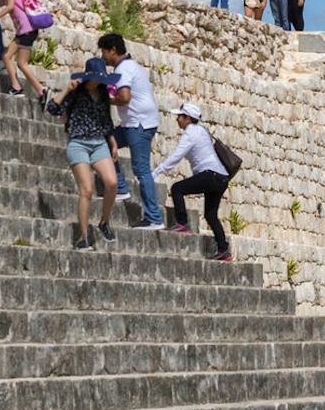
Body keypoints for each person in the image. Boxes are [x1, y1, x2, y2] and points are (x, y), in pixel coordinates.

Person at [47, 59, 120, 250]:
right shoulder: (76, 92)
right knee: (86, 190)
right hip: (78, 143)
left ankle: (104, 222)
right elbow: (52, 108)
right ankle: (83, 236)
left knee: (112, 183)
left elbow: (106, 120)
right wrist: (66, 90)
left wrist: (112, 143)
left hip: (99, 143)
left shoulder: (103, 93)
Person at [151, 101, 234, 260]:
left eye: (179, 116)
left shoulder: (190, 133)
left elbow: (175, 157)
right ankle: (224, 249)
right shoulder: (202, 130)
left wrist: (155, 172)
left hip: (210, 175)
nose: (177, 120)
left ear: (187, 118)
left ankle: (182, 224)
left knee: (177, 188)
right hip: (222, 177)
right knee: (211, 215)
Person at [99, 32, 163, 228]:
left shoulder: (125, 69)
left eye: (104, 52)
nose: (103, 56)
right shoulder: (133, 66)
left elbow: (125, 97)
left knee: (141, 169)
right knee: (104, 142)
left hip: (139, 125)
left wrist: (105, 99)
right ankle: (120, 188)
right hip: (135, 123)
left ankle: (154, 218)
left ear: (113, 50)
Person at [0, 0, 49, 100]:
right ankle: (16, 87)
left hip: (26, 31)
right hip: (24, 32)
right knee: (7, 56)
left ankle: (41, 90)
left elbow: (9, 7)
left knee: (22, 63)